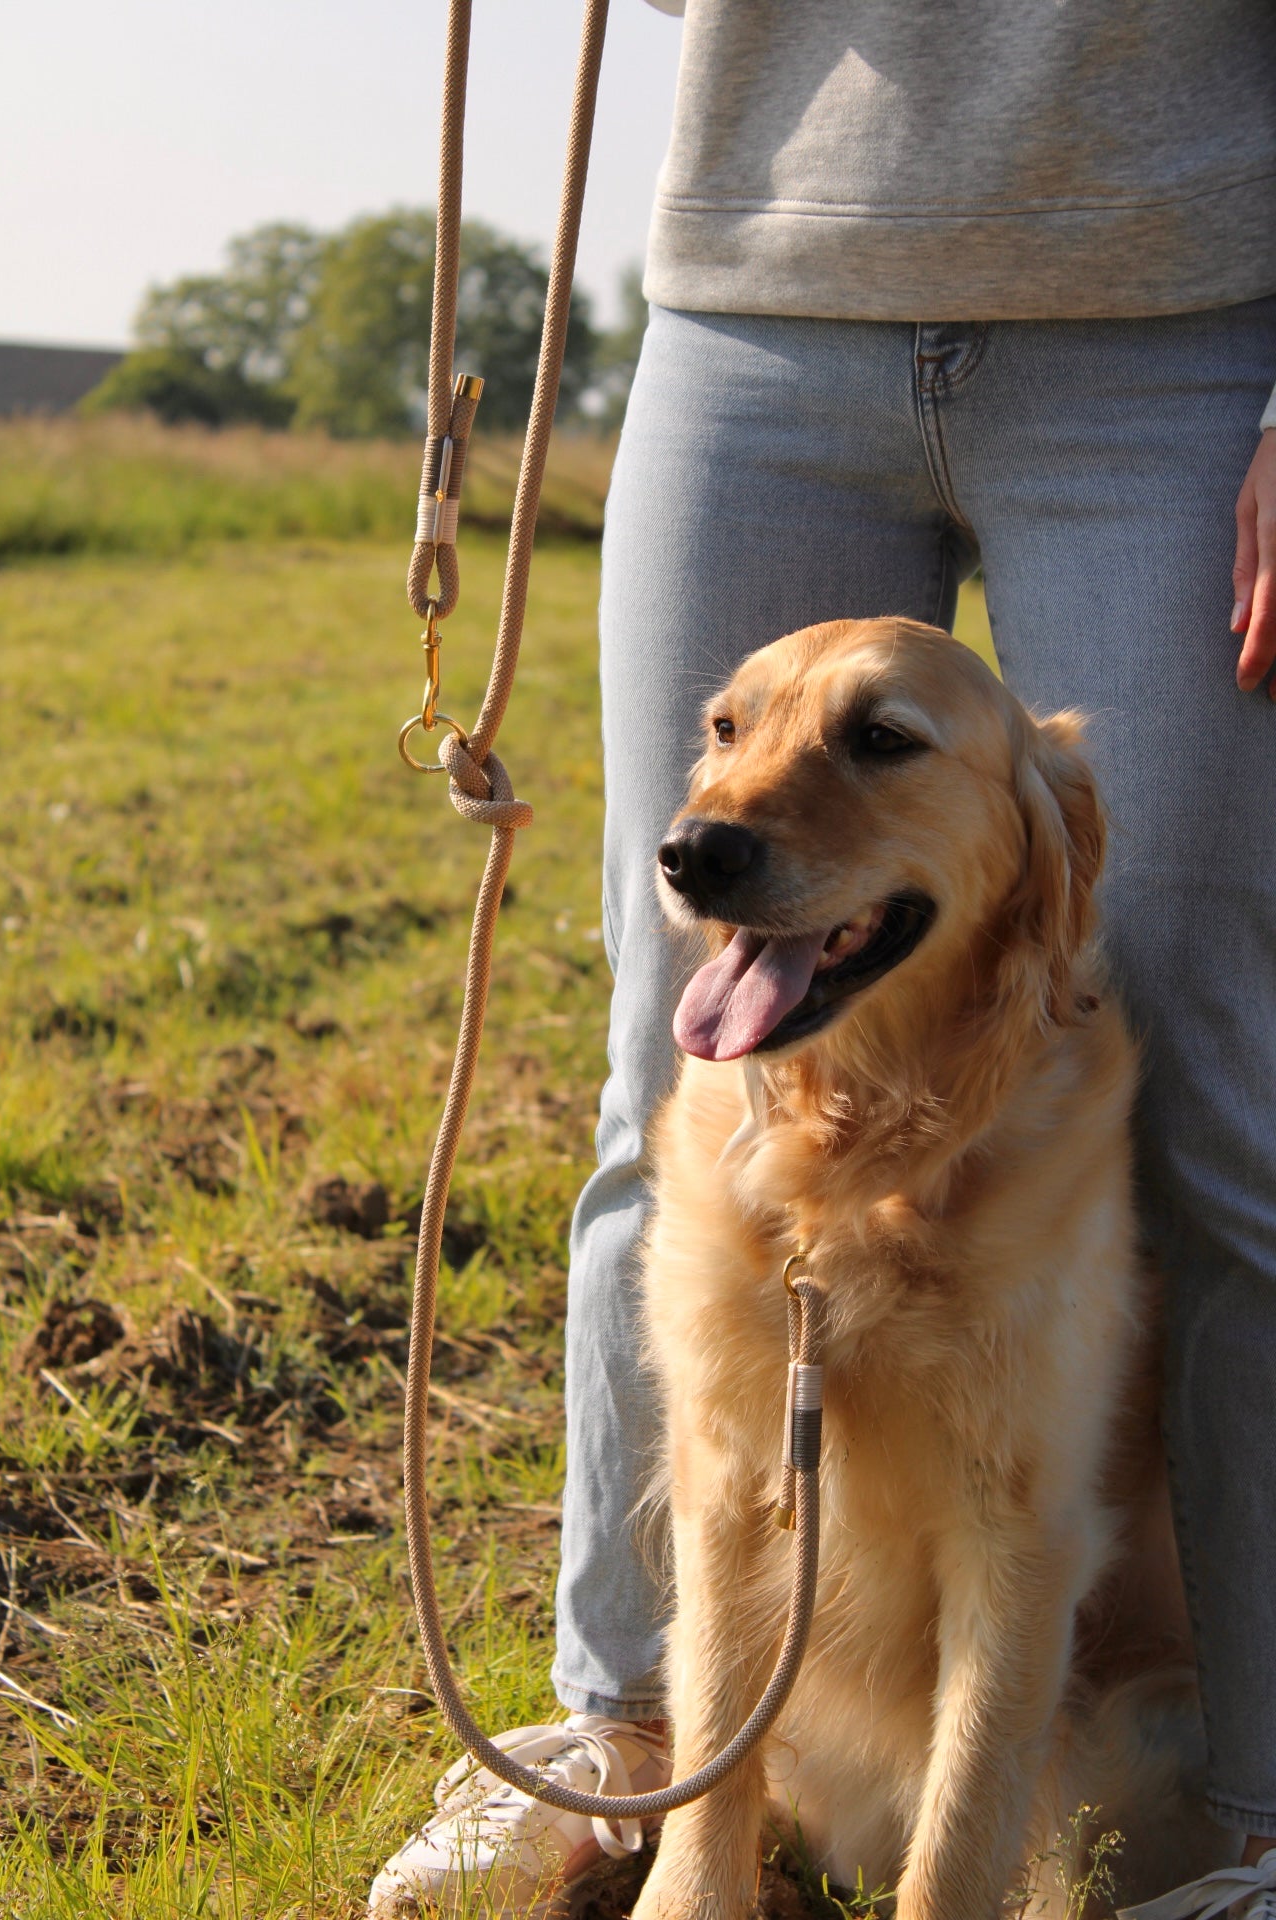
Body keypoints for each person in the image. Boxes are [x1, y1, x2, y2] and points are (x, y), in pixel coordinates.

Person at [369, 2, 1276, 1912]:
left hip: (1184, 290)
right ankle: (639, 1735)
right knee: (672, 1057)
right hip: (760, 277)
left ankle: (1256, 1812)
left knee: (1211, 1073)